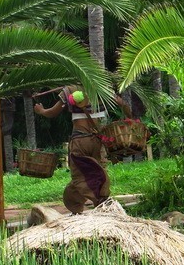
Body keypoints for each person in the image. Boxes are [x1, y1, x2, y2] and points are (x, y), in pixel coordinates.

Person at [33, 85, 132, 214]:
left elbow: (52, 112)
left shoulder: (69, 90)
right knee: (97, 171)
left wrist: (41, 111)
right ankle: (94, 202)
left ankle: (94, 202)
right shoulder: (103, 88)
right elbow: (124, 107)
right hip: (99, 142)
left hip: (80, 140)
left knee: (80, 174)